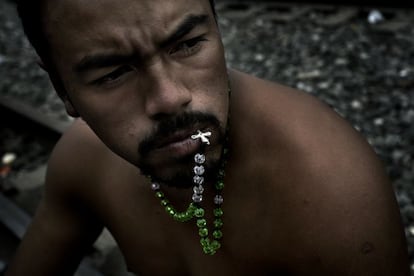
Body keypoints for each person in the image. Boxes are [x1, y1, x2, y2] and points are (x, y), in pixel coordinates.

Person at [6, 0, 410, 275]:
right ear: (62, 89)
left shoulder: (334, 196)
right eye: (112, 73)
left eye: (187, 44)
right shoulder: (83, 164)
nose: (169, 98)